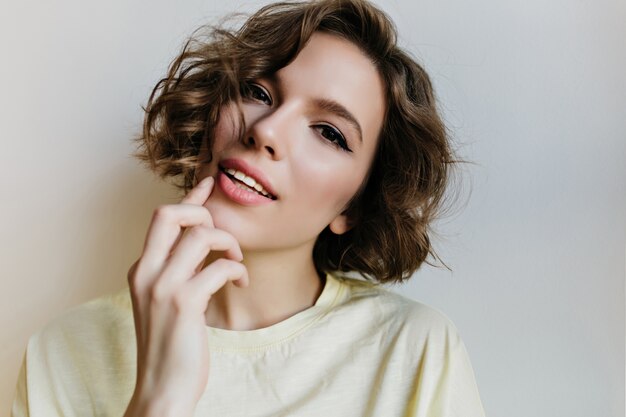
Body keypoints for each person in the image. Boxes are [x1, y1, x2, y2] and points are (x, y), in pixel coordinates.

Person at [12, 0, 485, 416]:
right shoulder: (64, 350)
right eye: (257, 92)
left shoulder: (413, 351)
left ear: (356, 205)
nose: (267, 131)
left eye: (329, 133)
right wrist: (160, 400)